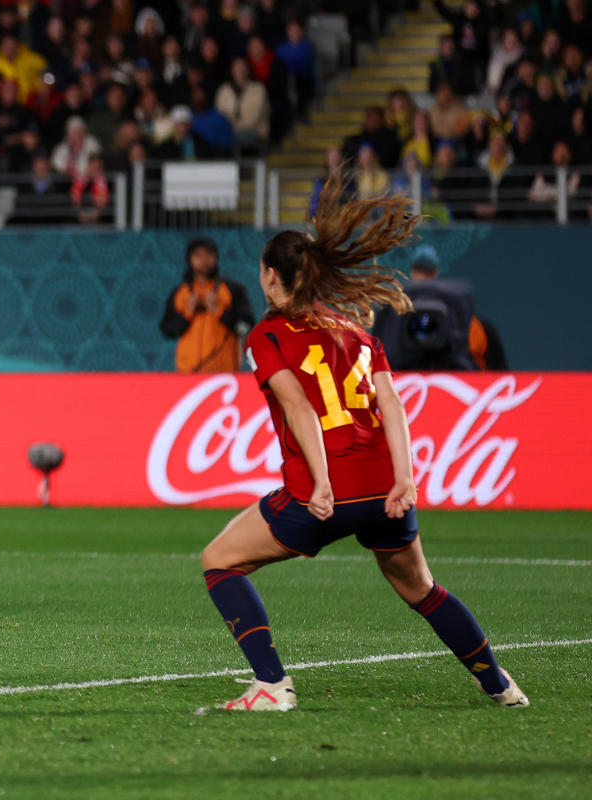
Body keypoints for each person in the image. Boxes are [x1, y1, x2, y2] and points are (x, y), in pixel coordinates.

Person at [199, 175, 528, 711]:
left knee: (219, 560)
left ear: (268, 276)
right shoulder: (357, 331)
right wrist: (406, 477)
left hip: (323, 493)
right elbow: (392, 405)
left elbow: (300, 407)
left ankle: (272, 686)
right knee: (421, 586)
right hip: (384, 490)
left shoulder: (266, 336)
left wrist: (323, 484)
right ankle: (499, 685)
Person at [159, 237, 255, 373]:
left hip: (223, 375)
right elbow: (167, 330)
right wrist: (187, 314)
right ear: (189, 259)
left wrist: (221, 312)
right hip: (186, 374)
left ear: (216, 257)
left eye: (208, 254)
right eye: (198, 256)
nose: (204, 260)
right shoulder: (181, 292)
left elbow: (245, 329)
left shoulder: (232, 290)